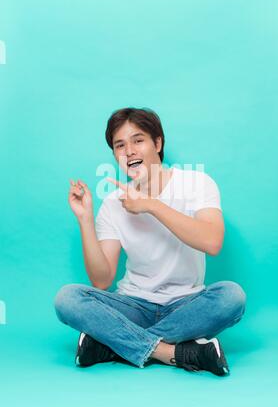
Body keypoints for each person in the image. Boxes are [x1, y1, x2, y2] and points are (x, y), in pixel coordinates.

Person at [54, 107, 246, 376]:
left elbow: (212, 242)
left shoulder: (197, 183)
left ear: (158, 143)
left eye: (138, 140)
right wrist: (85, 219)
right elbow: (101, 280)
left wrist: (151, 205)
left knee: (231, 297)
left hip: (187, 306)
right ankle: (173, 352)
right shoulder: (112, 204)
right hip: (133, 306)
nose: (129, 150)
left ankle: (113, 345)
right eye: (120, 145)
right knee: (68, 298)